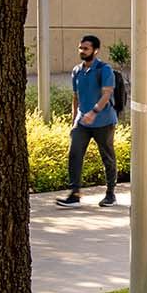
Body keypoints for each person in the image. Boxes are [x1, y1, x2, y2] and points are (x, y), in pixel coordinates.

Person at [56, 34, 118, 207]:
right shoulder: (76, 71)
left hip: (103, 121)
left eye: (86, 48)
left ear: (95, 50)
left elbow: (107, 94)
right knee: (74, 154)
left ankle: (110, 194)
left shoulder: (104, 69)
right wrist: (74, 118)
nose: (82, 51)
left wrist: (94, 112)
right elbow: (76, 97)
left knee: (107, 157)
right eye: (80, 48)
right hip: (82, 122)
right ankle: (74, 194)